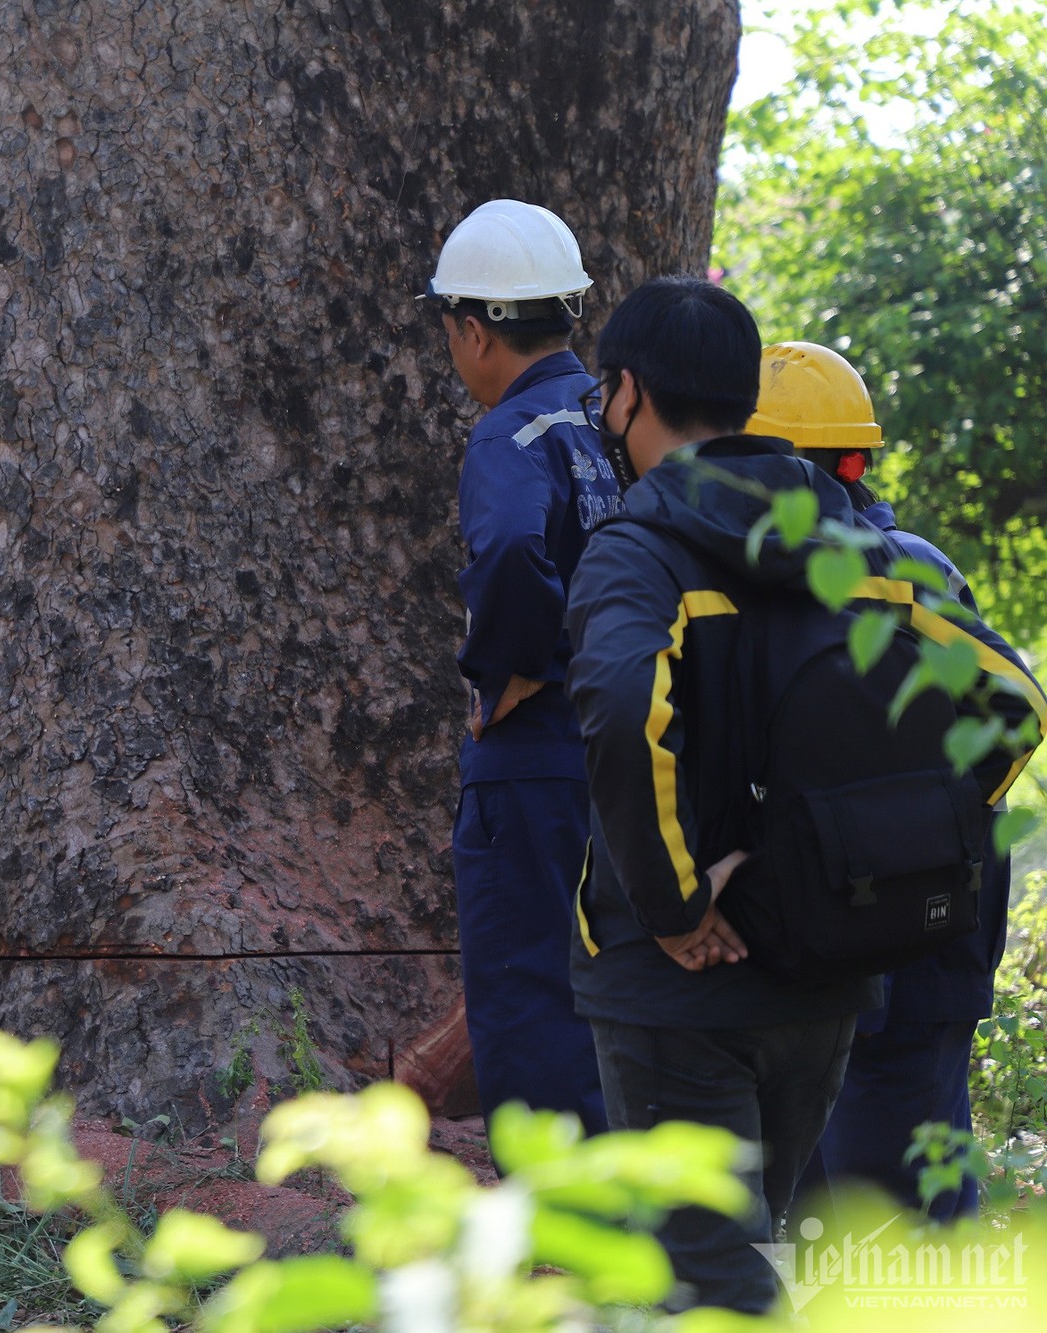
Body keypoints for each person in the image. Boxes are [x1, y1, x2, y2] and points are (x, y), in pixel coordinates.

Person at [565, 279, 1041, 1311]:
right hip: (822, 980)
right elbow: (1010, 701)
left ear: (627, 393)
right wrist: (849, 856)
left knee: (705, 1277)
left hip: (675, 987)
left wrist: (681, 902)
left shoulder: (639, 549)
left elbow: (612, 700)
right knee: (765, 1247)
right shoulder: (871, 556)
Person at [751, 341, 1021, 1220]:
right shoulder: (914, 565)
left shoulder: (858, 581)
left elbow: (1018, 709)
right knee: (882, 1154)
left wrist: (901, 827)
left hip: (897, 924)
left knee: (885, 1171)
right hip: (930, 912)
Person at [425, 199, 620, 1136]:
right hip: (636, 747)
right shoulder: (619, 424)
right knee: (621, 995)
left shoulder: (511, 433)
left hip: (536, 759)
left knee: (530, 996)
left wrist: (512, 668)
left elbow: (506, 548)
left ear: (473, 331)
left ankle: (558, 1246)